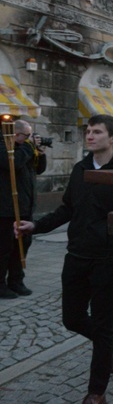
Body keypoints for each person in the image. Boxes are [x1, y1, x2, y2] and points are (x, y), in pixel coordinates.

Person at [15, 115, 113, 404]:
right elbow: (67, 208)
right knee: (72, 319)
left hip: (106, 262)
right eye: (88, 132)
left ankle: (96, 392)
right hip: (76, 257)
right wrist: (36, 225)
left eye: (97, 132)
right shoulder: (80, 169)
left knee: (102, 326)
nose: (90, 136)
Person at [1, 119, 46, 298]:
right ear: (16, 134)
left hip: (24, 207)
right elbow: (13, 163)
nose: (29, 139)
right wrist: (29, 147)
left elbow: (38, 170)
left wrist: (40, 154)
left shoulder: (23, 149)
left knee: (21, 247)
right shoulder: (4, 146)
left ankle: (16, 281)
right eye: (27, 136)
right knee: (4, 248)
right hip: (5, 209)